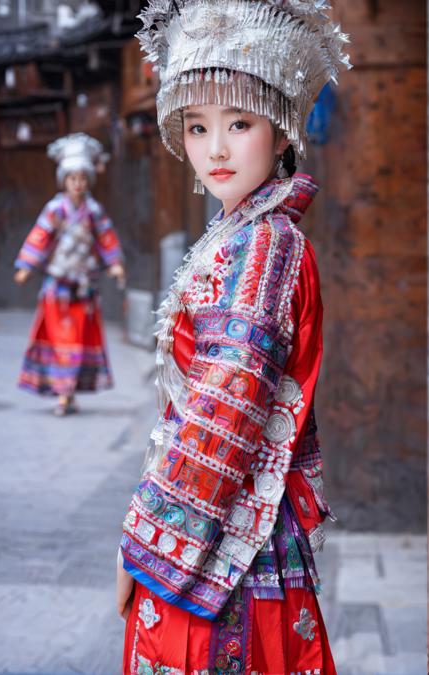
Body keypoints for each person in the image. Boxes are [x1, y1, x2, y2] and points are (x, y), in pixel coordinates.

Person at [117, 1, 351, 672]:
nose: (214, 149)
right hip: (235, 532)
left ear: (280, 132)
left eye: (239, 123)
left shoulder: (262, 248)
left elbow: (223, 416)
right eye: (197, 126)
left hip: (221, 550)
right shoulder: (248, 233)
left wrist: (143, 538)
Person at [14, 133, 125, 416]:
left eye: (83, 179)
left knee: (78, 339)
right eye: (72, 178)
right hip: (57, 283)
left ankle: (69, 391)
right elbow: (40, 236)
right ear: (64, 180)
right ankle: (62, 392)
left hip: (84, 285)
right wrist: (26, 266)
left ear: (88, 181)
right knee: (59, 338)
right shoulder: (55, 209)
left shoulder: (94, 211)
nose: (78, 184)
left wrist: (115, 265)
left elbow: (106, 239)